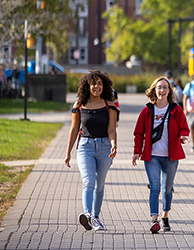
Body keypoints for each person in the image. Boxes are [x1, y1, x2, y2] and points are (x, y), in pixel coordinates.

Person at [132, 76, 190, 233]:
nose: (162, 90)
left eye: (165, 87)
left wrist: (184, 136)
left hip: (170, 156)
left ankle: (165, 216)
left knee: (167, 189)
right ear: (154, 90)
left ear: (169, 91)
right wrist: (137, 151)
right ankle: (154, 219)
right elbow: (138, 133)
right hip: (152, 156)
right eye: (159, 87)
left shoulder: (175, 110)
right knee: (155, 187)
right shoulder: (147, 110)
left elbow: (184, 127)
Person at [64, 70, 118, 231]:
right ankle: (87, 215)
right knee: (88, 181)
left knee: (99, 185)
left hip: (104, 147)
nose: (96, 86)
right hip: (85, 147)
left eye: (100, 84)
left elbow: (111, 130)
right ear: (87, 86)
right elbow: (74, 130)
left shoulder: (110, 106)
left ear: (104, 86)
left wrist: (114, 144)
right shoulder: (79, 105)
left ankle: (96, 217)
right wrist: (67, 154)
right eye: (93, 83)